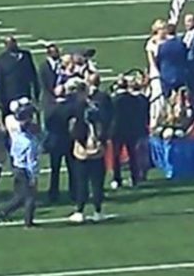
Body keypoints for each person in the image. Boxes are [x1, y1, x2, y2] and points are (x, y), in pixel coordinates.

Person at [68, 79, 108, 224]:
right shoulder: (95, 107)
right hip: (97, 149)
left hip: (82, 150)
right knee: (97, 183)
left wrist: (79, 141)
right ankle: (98, 210)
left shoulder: (76, 107)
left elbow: (74, 128)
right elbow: (103, 124)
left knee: (81, 182)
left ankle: (80, 210)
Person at [0, 101, 39, 228]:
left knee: (20, 196)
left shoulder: (17, 136)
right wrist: (33, 177)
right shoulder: (29, 143)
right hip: (25, 170)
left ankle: (3, 211)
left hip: (17, 166)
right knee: (30, 197)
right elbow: (31, 162)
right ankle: (28, 222)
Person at [110, 77, 150, 189]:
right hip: (131, 130)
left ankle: (116, 179)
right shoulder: (134, 99)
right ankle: (134, 177)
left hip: (117, 131)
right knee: (132, 155)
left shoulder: (113, 100)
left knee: (116, 156)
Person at [0, 36, 40, 118]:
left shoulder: (26, 56)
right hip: (9, 97)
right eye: (9, 43)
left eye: (13, 42)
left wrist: (36, 93)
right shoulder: (0, 61)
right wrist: (0, 101)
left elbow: (33, 75)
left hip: (25, 94)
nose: (12, 45)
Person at [44, 88, 75, 205]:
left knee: (55, 169)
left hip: (54, 141)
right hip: (68, 140)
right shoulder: (70, 108)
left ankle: (53, 193)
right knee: (72, 169)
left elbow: (47, 125)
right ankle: (74, 192)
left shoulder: (50, 108)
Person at [155, 24, 188, 103]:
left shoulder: (162, 46)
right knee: (182, 96)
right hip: (180, 74)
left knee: (168, 98)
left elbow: (158, 60)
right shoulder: (181, 44)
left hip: (166, 76)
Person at [145, 20, 165, 129]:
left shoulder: (168, 41)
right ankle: (154, 120)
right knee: (157, 96)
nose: (164, 31)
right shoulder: (151, 43)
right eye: (162, 29)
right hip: (157, 73)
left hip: (166, 72)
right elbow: (152, 61)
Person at [38, 43, 61, 112]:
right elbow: (43, 83)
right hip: (48, 99)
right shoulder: (43, 66)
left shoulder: (62, 64)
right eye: (54, 52)